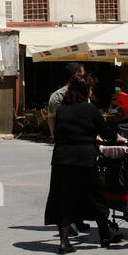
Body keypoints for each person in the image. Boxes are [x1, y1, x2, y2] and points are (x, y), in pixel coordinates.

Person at [44, 73, 125, 253]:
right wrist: (120, 139)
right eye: (90, 88)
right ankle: (105, 235)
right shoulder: (90, 110)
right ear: (84, 91)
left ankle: (64, 242)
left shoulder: (63, 109)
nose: (91, 91)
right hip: (84, 159)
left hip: (61, 160)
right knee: (96, 197)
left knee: (63, 200)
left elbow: (57, 132)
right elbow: (105, 132)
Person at [48, 62, 90, 233]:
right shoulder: (60, 96)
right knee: (72, 186)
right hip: (75, 146)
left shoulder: (57, 96)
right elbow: (53, 120)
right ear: (75, 75)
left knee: (74, 186)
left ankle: (76, 219)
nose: (84, 76)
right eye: (82, 73)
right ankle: (71, 221)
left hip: (66, 146)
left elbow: (51, 121)